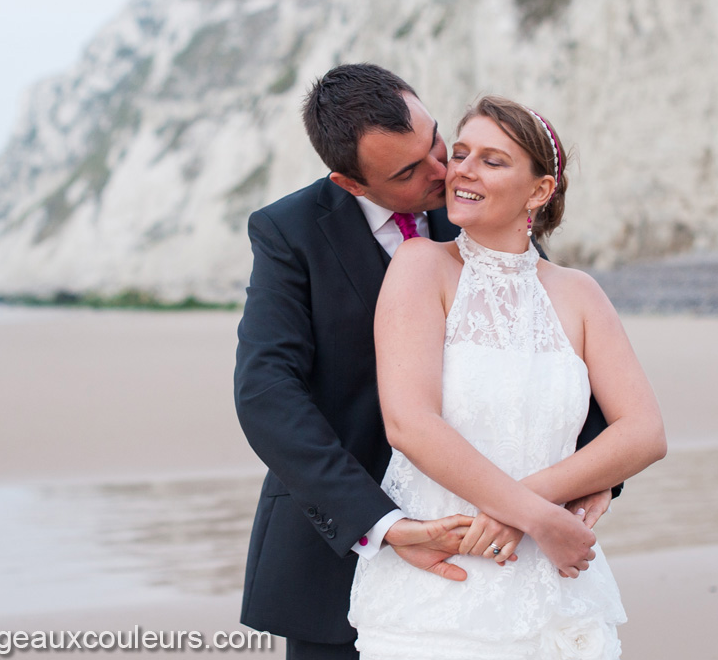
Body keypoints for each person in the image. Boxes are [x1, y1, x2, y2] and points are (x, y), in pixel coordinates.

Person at [234, 65, 617, 660]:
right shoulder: (289, 233)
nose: (445, 171)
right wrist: (380, 525)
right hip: (341, 543)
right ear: (350, 183)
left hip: (498, 541)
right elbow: (266, 395)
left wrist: (598, 476)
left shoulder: (475, 204)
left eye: (436, 142)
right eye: (409, 171)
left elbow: (544, 342)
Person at [347, 96, 667, 659]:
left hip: (557, 576)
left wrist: (534, 513)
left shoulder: (579, 293)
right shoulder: (422, 266)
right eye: (462, 152)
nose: (462, 169)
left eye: (493, 161)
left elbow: (643, 433)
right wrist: (538, 517)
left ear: (540, 191)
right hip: (444, 580)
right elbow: (409, 424)